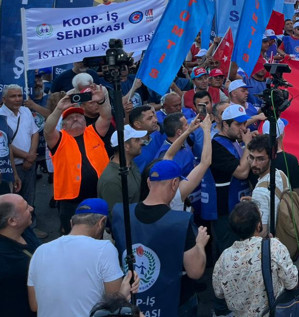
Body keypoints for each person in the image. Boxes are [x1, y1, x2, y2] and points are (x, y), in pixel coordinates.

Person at [112, 160, 209, 317]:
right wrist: (200, 244)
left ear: (149, 182)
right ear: (174, 183)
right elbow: (195, 271)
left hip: (134, 302)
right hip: (176, 302)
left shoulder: (120, 213)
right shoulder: (181, 222)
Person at [28, 198, 126, 317]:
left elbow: (35, 305)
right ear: (101, 222)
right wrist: (126, 289)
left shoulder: (40, 251)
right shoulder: (104, 248)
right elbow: (114, 304)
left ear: (71, 223)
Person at [212, 200, 298, 317]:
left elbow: (219, 292)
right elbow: (292, 283)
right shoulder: (274, 247)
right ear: (258, 225)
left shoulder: (224, 258)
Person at [45, 94, 112, 233]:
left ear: (85, 120)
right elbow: (48, 130)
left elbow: (106, 116)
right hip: (71, 201)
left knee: (102, 232)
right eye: (70, 118)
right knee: (73, 236)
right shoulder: (60, 139)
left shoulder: (93, 132)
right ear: (63, 125)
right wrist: (58, 109)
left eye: (79, 116)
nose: (75, 118)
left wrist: (102, 99)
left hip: (99, 195)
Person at [211, 104, 256, 256]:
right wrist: (248, 145)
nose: (243, 128)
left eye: (244, 123)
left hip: (240, 207)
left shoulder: (235, 141)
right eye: (238, 124)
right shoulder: (216, 145)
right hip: (225, 212)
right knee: (229, 254)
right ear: (225, 124)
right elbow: (242, 172)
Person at [0, 85, 40, 233]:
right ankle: (15, 233)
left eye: (19, 95)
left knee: (29, 198)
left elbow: (35, 133)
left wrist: (31, 156)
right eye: (13, 96)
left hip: (29, 164)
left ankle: (31, 230)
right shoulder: (0, 116)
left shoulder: (26, 111)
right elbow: (6, 144)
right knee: (13, 204)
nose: (17, 99)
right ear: (4, 99)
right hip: (12, 167)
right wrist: (27, 156)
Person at [0, 193, 40, 317]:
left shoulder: (25, 229)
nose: (31, 208)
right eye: (26, 208)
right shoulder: (5, 261)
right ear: (12, 221)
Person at [97, 125, 147, 213]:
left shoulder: (131, 165)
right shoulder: (111, 180)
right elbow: (117, 216)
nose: (141, 142)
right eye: (137, 140)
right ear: (126, 146)